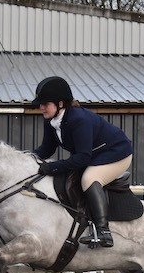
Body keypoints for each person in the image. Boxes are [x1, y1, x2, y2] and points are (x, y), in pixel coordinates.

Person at [31, 76, 133, 248]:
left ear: (60, 104)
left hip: (116, 153)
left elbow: (82, 157)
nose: (41, 107)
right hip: (93, 155)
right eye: (40, 104)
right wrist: (26, 158)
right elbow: (46, 150)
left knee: (89, 179)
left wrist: (52, 167)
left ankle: (103, 231)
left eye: (45, 103)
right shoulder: (51, 121)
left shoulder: (79, 119)